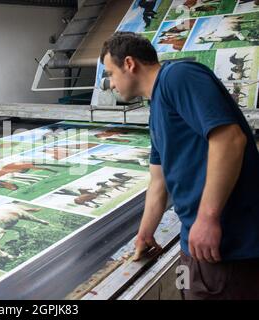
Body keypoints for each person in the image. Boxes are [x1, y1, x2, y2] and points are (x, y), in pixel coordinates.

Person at [100, 31, 259, 299]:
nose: (110, 84)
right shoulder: (156, 111)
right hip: (195, 248)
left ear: (129, 64)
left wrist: (208, 218)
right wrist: (144, 234)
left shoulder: (178, 77)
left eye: (110, 73)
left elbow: (230, 139)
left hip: (227, 246)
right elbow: (158, 182)